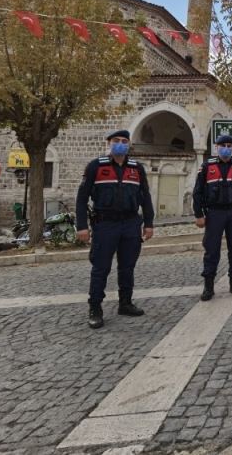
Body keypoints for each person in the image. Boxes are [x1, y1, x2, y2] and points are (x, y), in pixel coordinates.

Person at [76, 130, 154, 330]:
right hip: (105, 224)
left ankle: (125, 303)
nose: (120, 144)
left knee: (127, 267)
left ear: (129, 145)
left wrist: (149, 223)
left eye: (124, 141)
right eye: (116, 141)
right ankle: (95, 308)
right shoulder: (96, 166)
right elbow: (82, 198)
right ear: (109, 143)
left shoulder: (137, 169)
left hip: (130, 224)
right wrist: (82, 226)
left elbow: (145, 197)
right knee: (101, 268)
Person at [193, 134, 232, 300]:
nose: (226, 148)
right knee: (211, 250)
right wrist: (198, 214)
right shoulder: (206, 167)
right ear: (217, 147)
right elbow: (198, 192)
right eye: (223, 145)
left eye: (229, 145)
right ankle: (208, 286)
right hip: (214, 213)